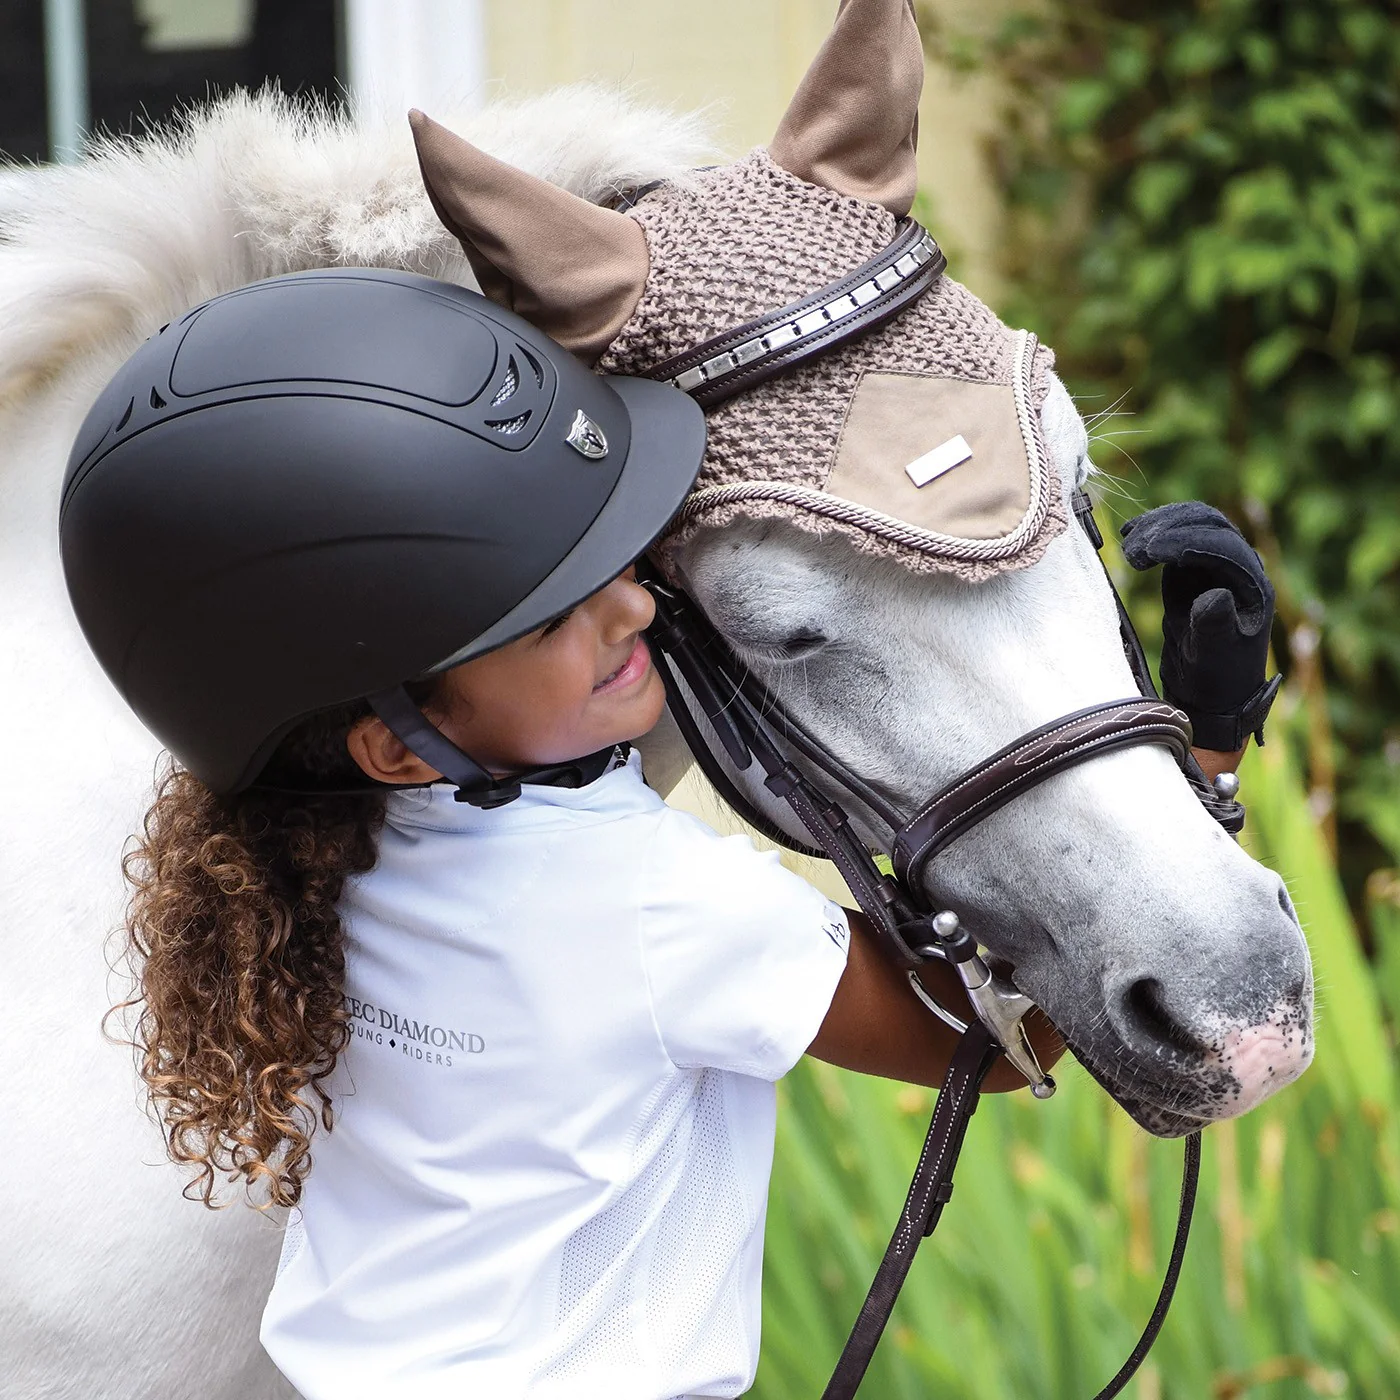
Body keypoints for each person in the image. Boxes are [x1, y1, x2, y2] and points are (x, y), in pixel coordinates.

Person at [60, 267, 1067, 1400]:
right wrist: (1204, 759)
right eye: (551, 613)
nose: (633, 606)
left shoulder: (316, 858)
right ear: (394, 739)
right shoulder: (655, 899)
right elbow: (997, 1038)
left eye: (609, 553)